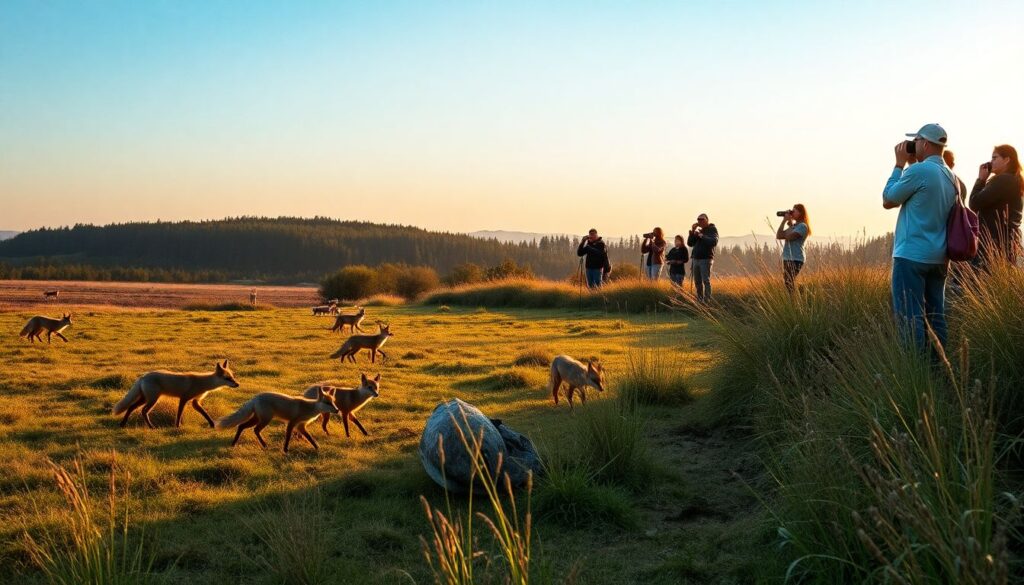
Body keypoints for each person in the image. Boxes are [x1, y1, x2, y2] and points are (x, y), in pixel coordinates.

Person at [882, 123, 957, 349]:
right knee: (936, 315)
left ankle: (914, 364)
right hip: (939, 257)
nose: (913, 145)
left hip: (911, 256)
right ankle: (938, 363)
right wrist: (913, 165)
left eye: (916, 141)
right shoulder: (951, 176)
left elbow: (888, 200)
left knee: (910, 316)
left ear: (925, 144)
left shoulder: (919, 171)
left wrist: (899, 165)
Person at [969, 144, 1023, 268]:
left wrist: (981, 180)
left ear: (1007, 160)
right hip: (1007, 242)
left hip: (992, 244)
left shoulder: (1003, 180)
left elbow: (974, 203)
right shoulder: (1015, 180)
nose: (990, 162)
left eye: (995, 158)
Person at [776, 204, 811, 293]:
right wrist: (784, 221)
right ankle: (801, 293)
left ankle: (799, 295)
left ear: (800, 213)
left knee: (789, 281)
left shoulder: (803, 226)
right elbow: (779, 235)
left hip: (796, 258)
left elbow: (790, 237)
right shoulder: (794, 226)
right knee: (788, 281)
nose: (792, 213)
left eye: (794, 211)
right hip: (787, 257)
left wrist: (790, 226)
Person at [688, 214, 719, 302]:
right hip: (696, 259)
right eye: (698, 220)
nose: (700, 221)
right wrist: (692, 231)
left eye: (702, 219)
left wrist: (701, 236)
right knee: (697, 281)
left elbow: (713, 242)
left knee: (706, 280)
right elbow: (690, 243)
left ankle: (707, 300)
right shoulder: (699, 231)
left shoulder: (712, 229)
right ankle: (700, 299)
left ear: (707, 220)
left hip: (706, 259)